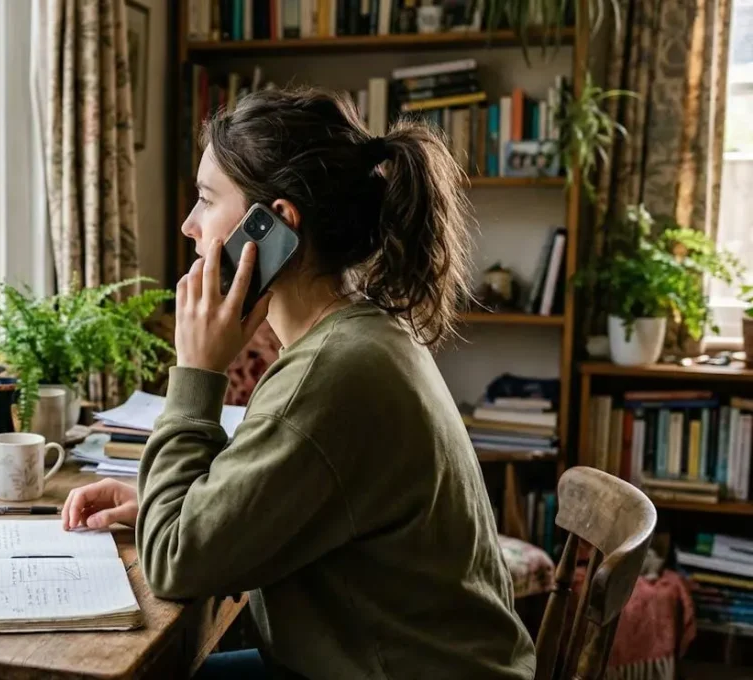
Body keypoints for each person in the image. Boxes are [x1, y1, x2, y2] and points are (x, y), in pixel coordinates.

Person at [61, 88, 536, 679]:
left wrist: (197, 373)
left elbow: (173, 564)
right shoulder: (358, 336)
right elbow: (264, 498)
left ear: (274, 225)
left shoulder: (335, 373)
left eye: (207, 200)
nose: (188, 225)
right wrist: (166, 509)